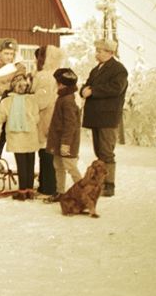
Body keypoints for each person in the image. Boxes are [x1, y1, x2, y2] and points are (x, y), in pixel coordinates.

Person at [80, 38, 128, 196]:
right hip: (96, 117)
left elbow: (116, 88)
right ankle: (100, 183)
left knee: (106, 152)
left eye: (100, 50)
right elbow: (86, 85)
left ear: (110, 52)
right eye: (97, 50)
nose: (97, 53)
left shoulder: (119, 70)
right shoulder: (96, 69)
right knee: (99, 151)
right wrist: (83, 90)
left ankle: (109, 185)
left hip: (108, 117)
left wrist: (93, 91)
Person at [0, 73, 40, 200]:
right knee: (30, 162)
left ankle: (22, 191)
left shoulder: (6, 102)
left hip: (16, 136)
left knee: (21, 164)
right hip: (30, 135)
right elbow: (37, 118)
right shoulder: (32, 100)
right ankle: (30, 191)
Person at [31, 45, 65, 196]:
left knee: (45, 152)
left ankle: (47, 186)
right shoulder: (58, 74)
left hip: (45, 116)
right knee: (50, 151)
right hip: (56, 116)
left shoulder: (43, 76)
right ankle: (49, 184)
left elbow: (40, 100)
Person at [45, 68, 82, 202]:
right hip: (58, 141)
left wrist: (66, 144)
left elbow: (70, 125)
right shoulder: (63, 97)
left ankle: (84, 193)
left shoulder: (68, 100)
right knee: (58, 166)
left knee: (70, 166)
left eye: (57, 82)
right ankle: (60, 192)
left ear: (61, 84)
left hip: (66, 142)